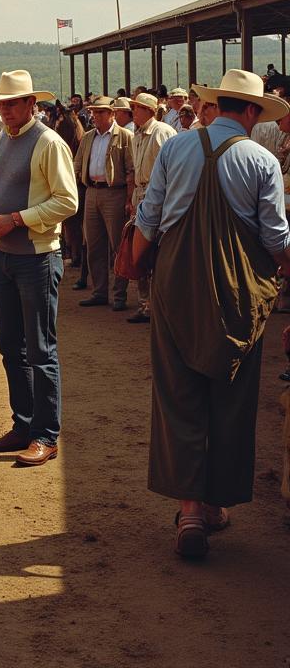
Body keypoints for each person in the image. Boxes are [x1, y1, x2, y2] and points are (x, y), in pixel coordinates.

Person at [133, 69, 290, 559]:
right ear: (249, 111)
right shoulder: (261, 160)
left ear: (215, 104)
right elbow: (275, 240)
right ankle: (217, 503)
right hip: (239, 291)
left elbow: (149, 219)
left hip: (177, 284)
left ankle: (190, 511)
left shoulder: (176, 148)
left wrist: (134, 270)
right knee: (231, 395)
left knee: (178, 394)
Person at [0, 70, 78, 467]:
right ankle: (23, 425)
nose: (5, 109)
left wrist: (16, 219)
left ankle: (45, 435)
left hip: (37, 256)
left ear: (30, 104)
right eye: (2, 103)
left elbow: (67, 202)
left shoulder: (48, 143)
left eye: (13, 103)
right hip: (4, 256)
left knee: (40, 349)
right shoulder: (3, 139)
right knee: (11, 348)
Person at [72, 97, 134, 312]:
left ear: (112, 114)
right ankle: (99, 292)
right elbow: (78, 163)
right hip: (92, 192)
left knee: (118, 245)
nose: (95, 116)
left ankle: (119, 294)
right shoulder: (88, 137)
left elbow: (130, 170)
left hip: (114, 193)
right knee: (94, 246)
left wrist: (128, 198)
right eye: (94, 112)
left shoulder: (125, 137)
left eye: (100, 112)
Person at [127, 92, 177, 325]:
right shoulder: (138, 134)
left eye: (137, 107)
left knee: (156, 251)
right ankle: (145, 304)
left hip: (157, 197)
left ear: (149, 110)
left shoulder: (162, 132)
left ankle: (159, 306)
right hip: (142, 194)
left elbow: (172, 171)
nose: (133, 111)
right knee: (140, 253)